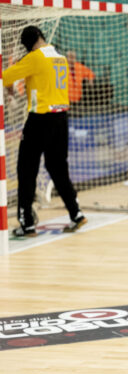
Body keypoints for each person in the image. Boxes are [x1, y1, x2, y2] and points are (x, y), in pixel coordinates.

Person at [3, 26, 87, 237]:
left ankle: (27, 224)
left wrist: (9, 84)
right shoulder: (60, 57)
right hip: (61, 118)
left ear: (28, 44)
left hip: (40, 119)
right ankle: (76, 213)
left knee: (26, 169)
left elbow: (5, 76)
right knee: (58, 168)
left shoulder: (35, 57)